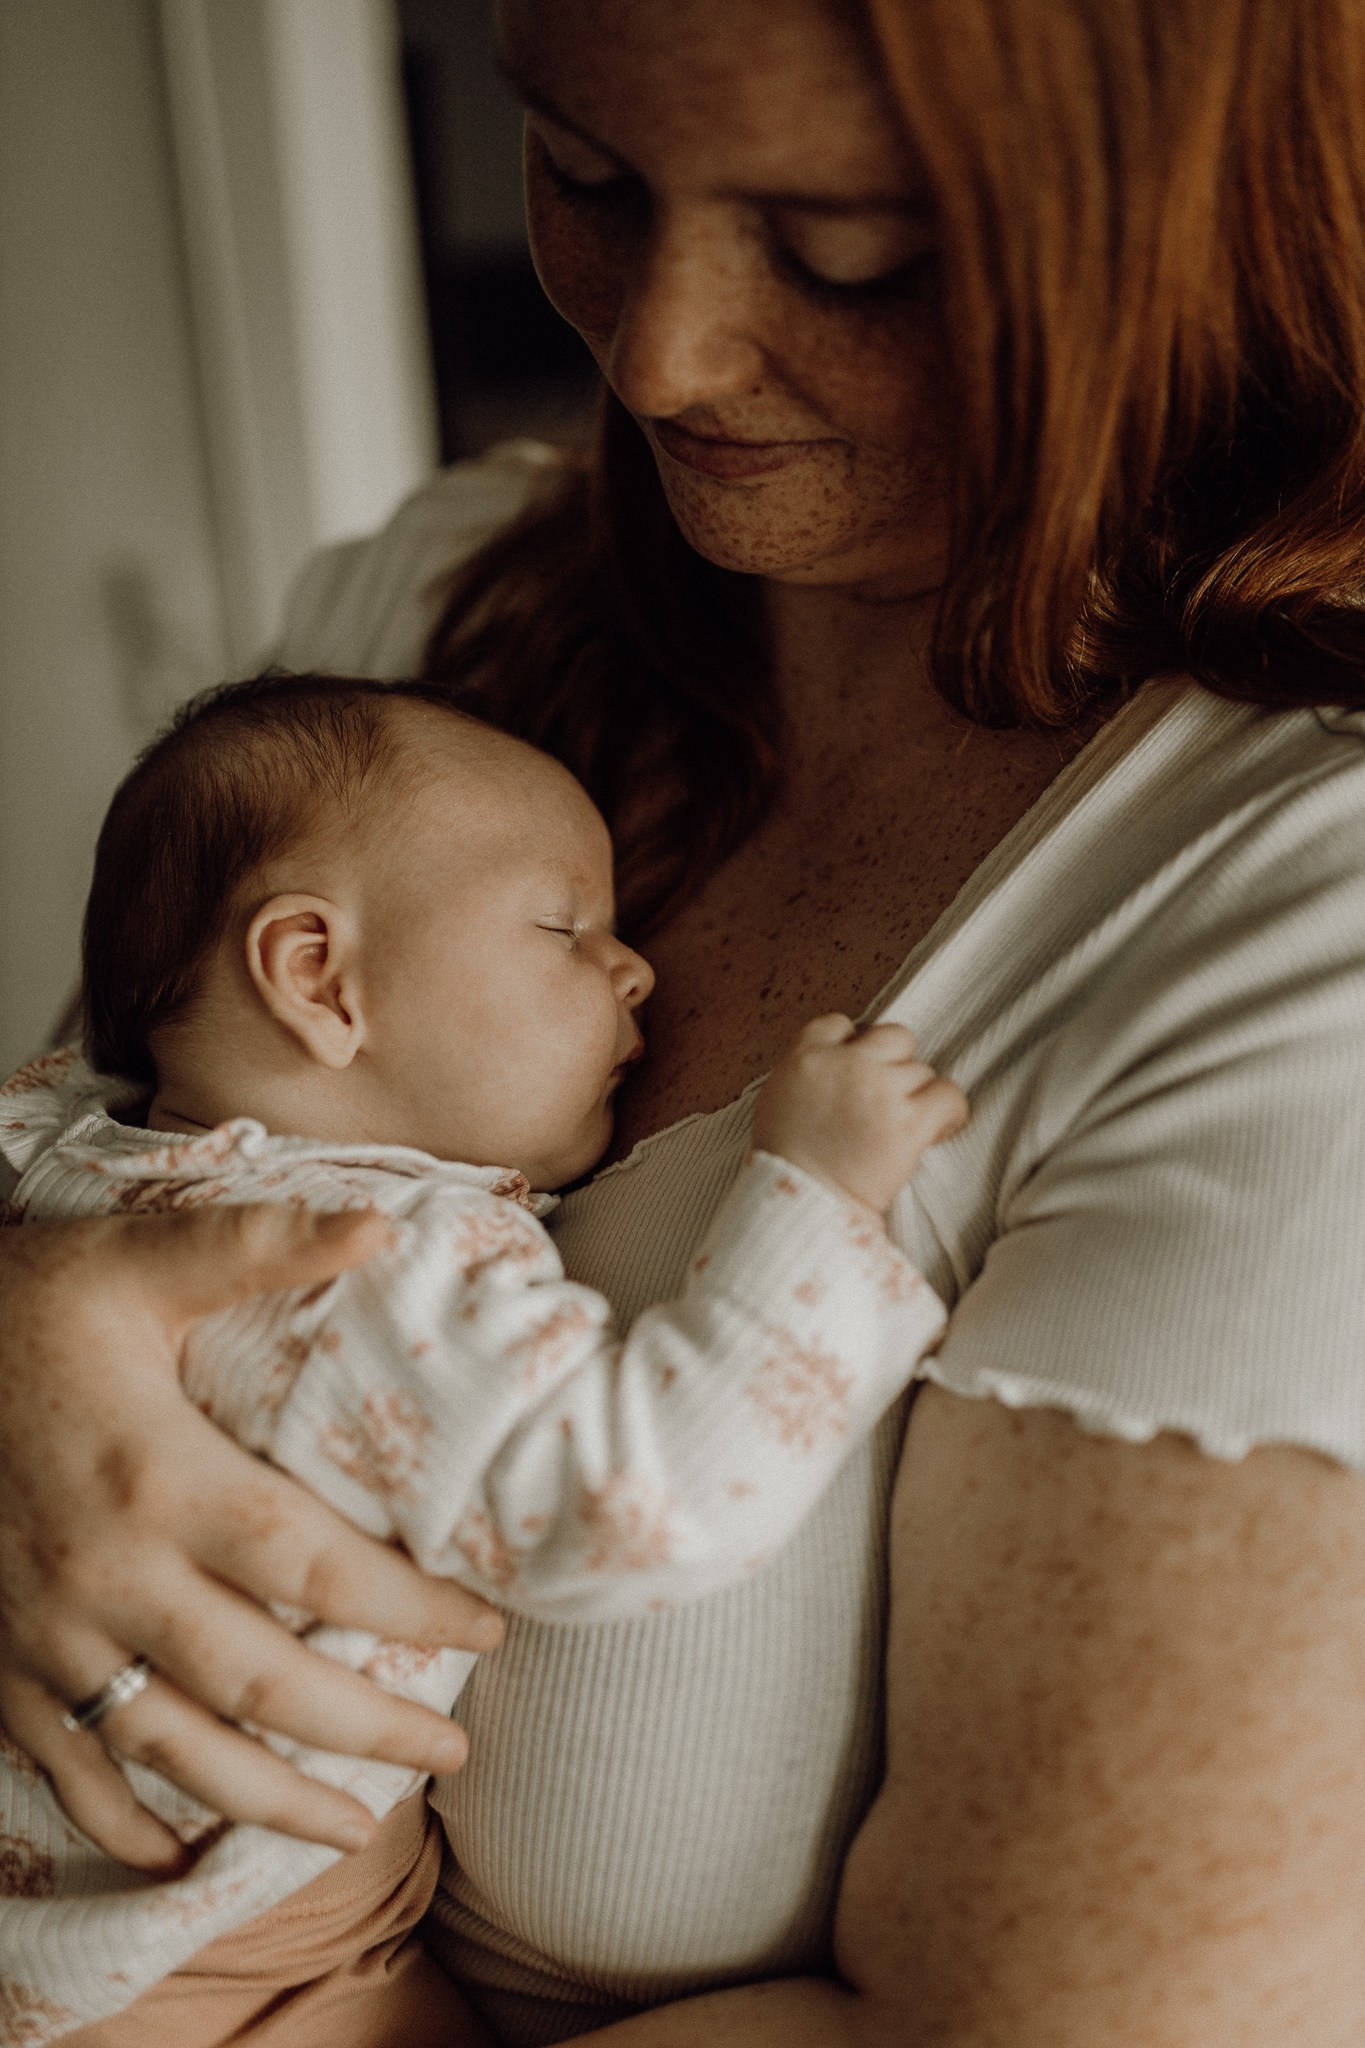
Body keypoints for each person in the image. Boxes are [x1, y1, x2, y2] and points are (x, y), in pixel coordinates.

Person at [3, 0, 1365, 2041]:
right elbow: (106, 1128)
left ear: (1208, 221)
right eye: (587, 177)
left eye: (848, 255)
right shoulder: (428, 633)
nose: (656, 359)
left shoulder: (1299, 911)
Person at [0, 670, 958, 2044]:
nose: (635, 968)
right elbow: (635, 1506)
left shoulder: (54, 1152)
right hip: (198, 1965)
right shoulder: (368, 1266)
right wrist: (820, 1199)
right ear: (318, 977)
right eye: (564, 927)